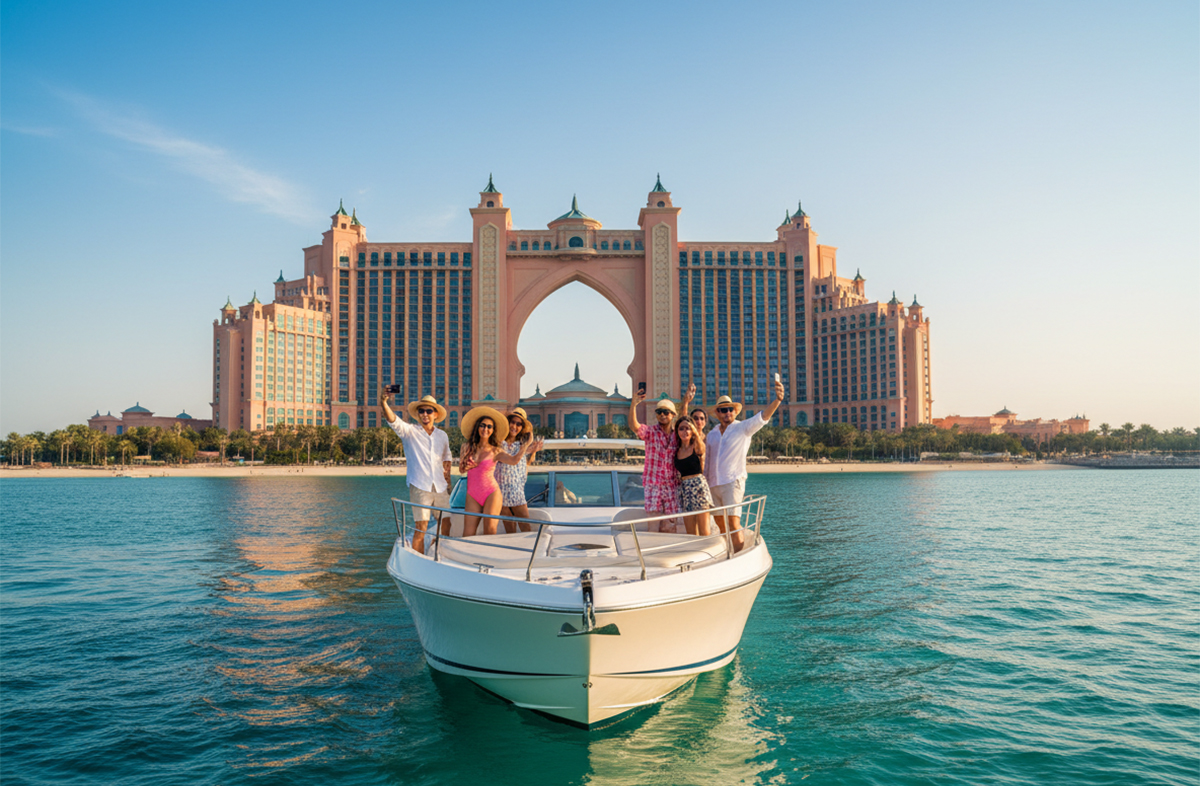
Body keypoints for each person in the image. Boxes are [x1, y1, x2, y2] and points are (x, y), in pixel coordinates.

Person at [707, 376, 785, 552]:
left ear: (734, 412)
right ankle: (727, 552)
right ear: (717, 413)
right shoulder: (711, 434)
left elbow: (763, 417)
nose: (727, 413)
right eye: (723, 410)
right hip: (713, 484)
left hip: (732, 482)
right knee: (720, 523)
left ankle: (738, 554)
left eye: (730, 409)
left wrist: (777, 401)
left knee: (734, 522)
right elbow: (708, 459)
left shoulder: (742, 428)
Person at [381, 388, 452, 555]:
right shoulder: (409, 432)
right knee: (422, 527)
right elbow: (393, 420)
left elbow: (446, 459)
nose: (425, 414)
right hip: (420, 486)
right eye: (422, 411)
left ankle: (439, 549)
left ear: (435, 414)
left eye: (429, 411)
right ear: (418, 414)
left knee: (447, 522)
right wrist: (383, 402)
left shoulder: (442, 436)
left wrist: (448, 483)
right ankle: (419, 558)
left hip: (440, 487)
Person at [459, 406, 535, 537]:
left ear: (493, 430)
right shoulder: (466, 447)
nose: (485, 429)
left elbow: (514, 460)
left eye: (489, 427)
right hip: (472, 494)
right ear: (477, 427)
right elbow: (461, 469)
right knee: (468, 534)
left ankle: (489, 556)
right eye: (483, 425)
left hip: (491, 493)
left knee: (489, 532)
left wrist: (526, 445)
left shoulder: (496, 450)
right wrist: (465, 467)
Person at [630, 383, 694, 533]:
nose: (662, 415)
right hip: (653, 484)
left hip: (672, 485)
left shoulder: (678, 435)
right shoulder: (650, 432)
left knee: (670, 524)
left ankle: (668, 554)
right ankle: (651, 553)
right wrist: (633, 405)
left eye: (666, 412)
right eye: (659, 412)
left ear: (673, 415)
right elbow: (634, 426)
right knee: (652, 523)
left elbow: (687, 425)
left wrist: (685, 403)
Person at [496, 407, 544, 533]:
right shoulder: (499, 443)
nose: (515, 426)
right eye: (513, 422)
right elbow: (514, 459)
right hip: (499, 491)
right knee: (509, 530)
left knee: (525, 528)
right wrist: (527, 446)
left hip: (516, 491)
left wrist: (532, 450)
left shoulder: (521, 445)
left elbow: (525, 464)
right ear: (507, 422)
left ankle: (527, 551)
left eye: (519, 424)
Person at [673, 415, 712, 537]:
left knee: (704, 531)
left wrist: (694, 429)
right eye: (681, 428)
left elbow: (702, 449)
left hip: (698, 487)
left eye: (688, 428)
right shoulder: (676, 450)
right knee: (690, 533)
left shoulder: (696, 446)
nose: (685, 431)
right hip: (685, 490)